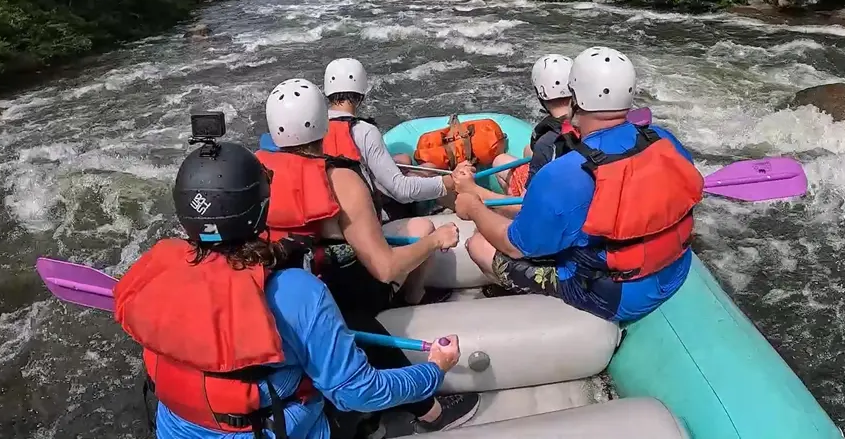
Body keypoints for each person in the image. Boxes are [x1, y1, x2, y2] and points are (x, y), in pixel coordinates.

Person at [113, 120, 465, 439]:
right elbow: (357, 392)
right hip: (278, 428)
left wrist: (278, 251)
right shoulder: (298, 292)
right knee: (348, 397)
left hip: (177, 429)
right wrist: (434, 370)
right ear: (261, 208)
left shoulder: (153, 272)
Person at [257, 78, 481, 432]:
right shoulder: (341, 180)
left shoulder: (255, 171)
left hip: (274, 290)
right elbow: (384, 267)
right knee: (408, 248)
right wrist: (435, 240)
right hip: (335, 297)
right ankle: (429, 410)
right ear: (322, 123)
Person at [453, 46, 705, 323]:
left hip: (612, 296)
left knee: (479, 244)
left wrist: (475, 207)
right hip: (674, 270)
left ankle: (535, 306)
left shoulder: (564, 173)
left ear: (575, 99)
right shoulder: (663, 139)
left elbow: (515, 246)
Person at [320, 58, 464, 220]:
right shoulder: (364, 131)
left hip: (333, 208)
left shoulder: (314, 127)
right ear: (361, 91)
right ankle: (469, 212)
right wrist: (448, 181)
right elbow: (401, 190)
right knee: (426, 173)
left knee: (405, 160)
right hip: (369, 217)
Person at [491, 54, 576, 198]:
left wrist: (477, 195)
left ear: (540, 93)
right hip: (577, 181)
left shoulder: (548, 142)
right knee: (528, 150)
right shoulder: (588, 120)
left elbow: (530, 198)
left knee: (500, 161)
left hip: (558, 198)